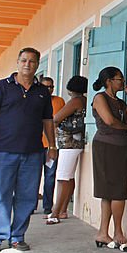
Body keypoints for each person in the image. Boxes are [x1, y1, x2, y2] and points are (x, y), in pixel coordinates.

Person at [0, 48, 57, 253]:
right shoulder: (1, 87)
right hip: (4, 151)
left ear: (37, 65)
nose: (27, 64)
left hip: (32, 153)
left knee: (27, 197)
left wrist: (52, 146)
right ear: (17, 62)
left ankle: (17, 236)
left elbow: (47, 121)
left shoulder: (42, 92)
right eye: (23, 60)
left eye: (32, 61)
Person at [90, 67, 127, 251]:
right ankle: (117, 233)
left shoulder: (120, 101)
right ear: (108, 81)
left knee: (112, 190)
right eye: (119, 79)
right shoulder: (100, 98)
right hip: (106, 146)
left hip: (120, 147)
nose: (122, 82)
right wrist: (125, 128)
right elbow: (109, 120)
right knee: (115, 191)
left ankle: (103, 233)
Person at [49, 75, 89, 223]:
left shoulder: (75, 101)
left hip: (68, 143)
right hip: (76, 142)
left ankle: (55, 212)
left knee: (62, 177)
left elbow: (56, 118)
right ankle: (63, 210)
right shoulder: (84, 100)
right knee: (69, 177)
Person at [39, 76, 66, 219]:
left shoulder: (59, 101)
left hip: (52, 146)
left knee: (50, 176)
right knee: (33, 177)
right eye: (46, 87)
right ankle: (30, 205)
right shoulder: (35, 99)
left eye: (51, 86)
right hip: (35, 146)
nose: (49, 89)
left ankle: (47, 206)